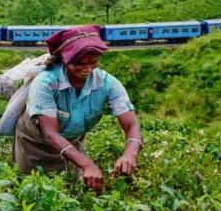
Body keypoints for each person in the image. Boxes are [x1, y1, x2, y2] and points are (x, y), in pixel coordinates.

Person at [13, 25, 142, 192]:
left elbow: (131, 125)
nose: (87, 69)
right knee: (34, 189)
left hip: (72, 143)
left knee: (69, 189)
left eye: (93, 62)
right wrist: (87, 164)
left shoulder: (108, 83)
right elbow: (50, 133)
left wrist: (129, 155)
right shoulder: (46, 83)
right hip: (35, 144)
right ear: (64, 60)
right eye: (79, 64)